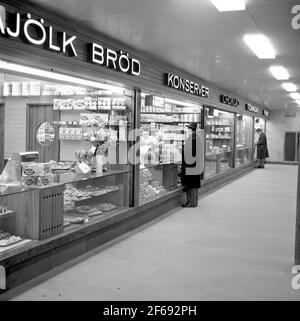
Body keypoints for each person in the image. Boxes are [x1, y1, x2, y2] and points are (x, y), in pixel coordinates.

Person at [181, 122, 204, 207]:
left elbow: (190, 152)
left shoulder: (193, 139)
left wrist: (182, 149)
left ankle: (192, 203)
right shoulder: (197, 138)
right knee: (194, 184)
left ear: (191, 129)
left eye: (188, 128)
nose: (187, 130)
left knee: (191, 185)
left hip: (191, 165)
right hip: (195, 165)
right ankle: (193, 201)